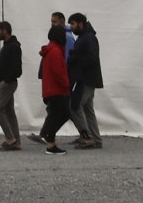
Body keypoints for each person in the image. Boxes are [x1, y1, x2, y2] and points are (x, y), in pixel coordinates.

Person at [67, 13, 103, 149]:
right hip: (86, 78)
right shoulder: (85, 37)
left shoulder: (89, 38)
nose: (71, 27)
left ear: (81, 23)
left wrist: (75, 59)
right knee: (88, 109)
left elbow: (92, 58)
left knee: (75, 106)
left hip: (86, 79)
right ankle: (96, 139)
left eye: (73, 24)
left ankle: (88, 139)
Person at [37, 24, 72, 154]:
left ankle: (50, 140)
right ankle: (50, 141)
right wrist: (66, 84)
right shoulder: (56, 51)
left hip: (49, 89)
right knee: (63, 114)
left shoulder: (50, 50)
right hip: (57, 89)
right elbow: (59, 72)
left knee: (55, 115)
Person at [0, 20, 23, 150]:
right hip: (7, 82)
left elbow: (17, 69)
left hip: (8, 83)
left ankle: (10, 139)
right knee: (9, 112)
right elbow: (6, 66)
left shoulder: (13, 47)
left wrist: (6, 81)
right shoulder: (8, 45)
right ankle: (16, 141)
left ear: (5, 31)